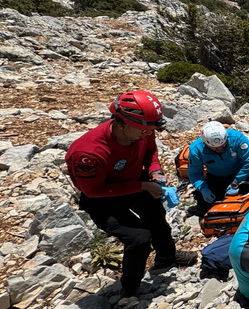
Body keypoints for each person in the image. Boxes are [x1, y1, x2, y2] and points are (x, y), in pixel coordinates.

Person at [65, 91, 197, 298]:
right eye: (144, 130)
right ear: (122, 123)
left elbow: (150, 151)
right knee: (139, 238)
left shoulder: (142, 129)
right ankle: (130, 287)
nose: (147, 134)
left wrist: (155, 171)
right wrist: (143, 186)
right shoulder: (88, 152)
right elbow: (92, 190)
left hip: (135, 180)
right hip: (102, 198)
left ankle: (166, 258)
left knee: (156, 218)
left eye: (150, 130)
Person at [187, 121, 249, 216]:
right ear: (205, 143)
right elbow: (194, 173)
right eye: (215, 148)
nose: (219, 149)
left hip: (242, 170)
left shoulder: (237, 138)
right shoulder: (196, 150)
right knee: (205, 201)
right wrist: (203, 189)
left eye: (222, 145)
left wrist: (236, 182)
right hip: (217, 175)